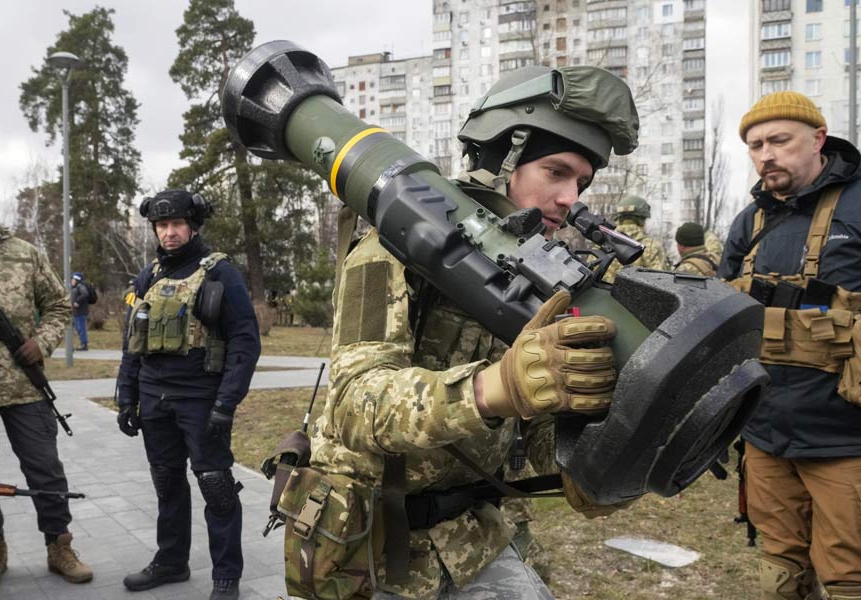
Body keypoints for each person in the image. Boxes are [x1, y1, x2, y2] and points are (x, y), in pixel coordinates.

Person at [293, 66, 639, 599]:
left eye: (582, 183)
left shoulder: (544, 278)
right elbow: (354, 405)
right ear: (503, 160)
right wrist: (494, 387)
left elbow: (543, 436)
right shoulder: (394, 247)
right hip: (369, 546)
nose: (571, 198)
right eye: (556, 172)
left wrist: (606, 451)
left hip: (474, 536)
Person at [718, 91, 861, 600]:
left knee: (851, 584)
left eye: (779, 140)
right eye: (755, 146)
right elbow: (722, 318)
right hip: (767, 438)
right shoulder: (748, 222)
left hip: (855, 443)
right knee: (779, 577)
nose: (766, 155)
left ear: (818, 139)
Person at [115, 190, 260, 600]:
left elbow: (245, 341)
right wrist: (125, 395)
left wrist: (226, 403)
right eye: (162, 225)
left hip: (201, 398)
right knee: (167, 483)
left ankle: (226, 576)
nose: (170, 232)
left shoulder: (220, 273)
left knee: (216, 485)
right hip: (154, 397)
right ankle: (171, 562)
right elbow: (132, 341)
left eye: (177, 224)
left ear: (192, 226)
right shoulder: (148, 276)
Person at [0, 223, 92, 585]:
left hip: (24, 385)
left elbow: (58, 305)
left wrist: (42, 342)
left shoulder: (24, 253)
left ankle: (59, 546)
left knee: (45, 469)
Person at [602, 195, 667, 282]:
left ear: (618, 217)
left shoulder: (601, 242)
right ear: (641, 219)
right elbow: (661, 281)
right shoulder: (652, 246)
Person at [70, 272, 90, 351]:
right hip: (76, 312)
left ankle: (84, 344)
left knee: (81, 328)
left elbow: (85, 294)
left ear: (77, 279)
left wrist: (77, 302)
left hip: (80, 312)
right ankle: (81, 343)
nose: (71, 281)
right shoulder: (74, 288)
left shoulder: (80, 286)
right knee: (78, 328)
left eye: (73, 279)